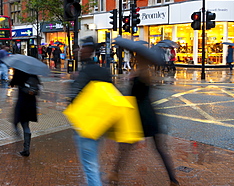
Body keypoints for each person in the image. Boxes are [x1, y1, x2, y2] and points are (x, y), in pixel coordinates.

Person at [110, 55, 179, 186]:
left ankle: (115, 174)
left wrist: (130, 80)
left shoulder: (139, 76)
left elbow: (133, 96)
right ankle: (173, 179)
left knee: (125, 147)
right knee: (160, 149)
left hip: (139, 116)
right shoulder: (147, 74)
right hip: (150, 114)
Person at [68, 36, 112, 186]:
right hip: (100, 123)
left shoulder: (85, 72)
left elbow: (74, 97)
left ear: (89, 50)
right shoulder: (103, 71)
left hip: (86, 124)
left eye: (82, 48)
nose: (79, 51)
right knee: (92, 161)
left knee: (90, 165)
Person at [10, 69, 41, 157]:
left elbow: (12, 83)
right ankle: (26, 148)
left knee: (16, 121)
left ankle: (19, 138)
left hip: (22, 102)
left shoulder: (19, 73)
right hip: (31, 104)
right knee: (26, 125)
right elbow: (38, 88)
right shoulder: (33, 73)